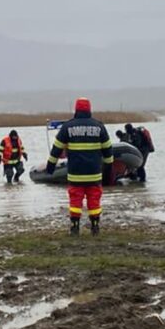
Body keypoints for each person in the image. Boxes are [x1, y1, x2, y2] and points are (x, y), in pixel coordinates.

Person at [45, 98, 114, 235]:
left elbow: (56, 149)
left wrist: (50, 166)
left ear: (76, 110)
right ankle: (95, 226)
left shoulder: (67, 127)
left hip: (75, 174)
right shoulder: (99, 127)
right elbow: (108, 150)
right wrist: (109, 168)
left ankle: (75, 227)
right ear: (89, 110)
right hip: (94, 173)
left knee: (75, 200)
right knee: (94, 199)